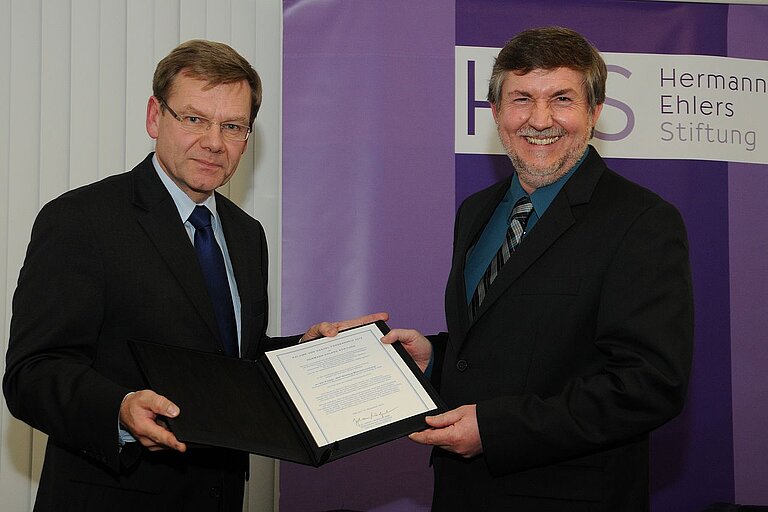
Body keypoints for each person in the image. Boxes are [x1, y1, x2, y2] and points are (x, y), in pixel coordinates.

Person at [3, 39, 384, 512]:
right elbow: (32, 374)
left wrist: (306, 356)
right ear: (153, 117)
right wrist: (120, 409)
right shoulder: (81, 220)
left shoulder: (246, 235)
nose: (213, 141)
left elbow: (228, 362)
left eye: (232, 126)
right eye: (194, 119)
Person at [381, 27, 694, 511]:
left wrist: (496, 429)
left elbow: (648, 385)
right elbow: (509, 340)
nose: (540, 119)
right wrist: (436, 358)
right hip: (461, 493)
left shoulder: (642, 222)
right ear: (496, 113)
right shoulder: (478, 210)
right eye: (522, 98)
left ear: (594, 112)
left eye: (562, 99)